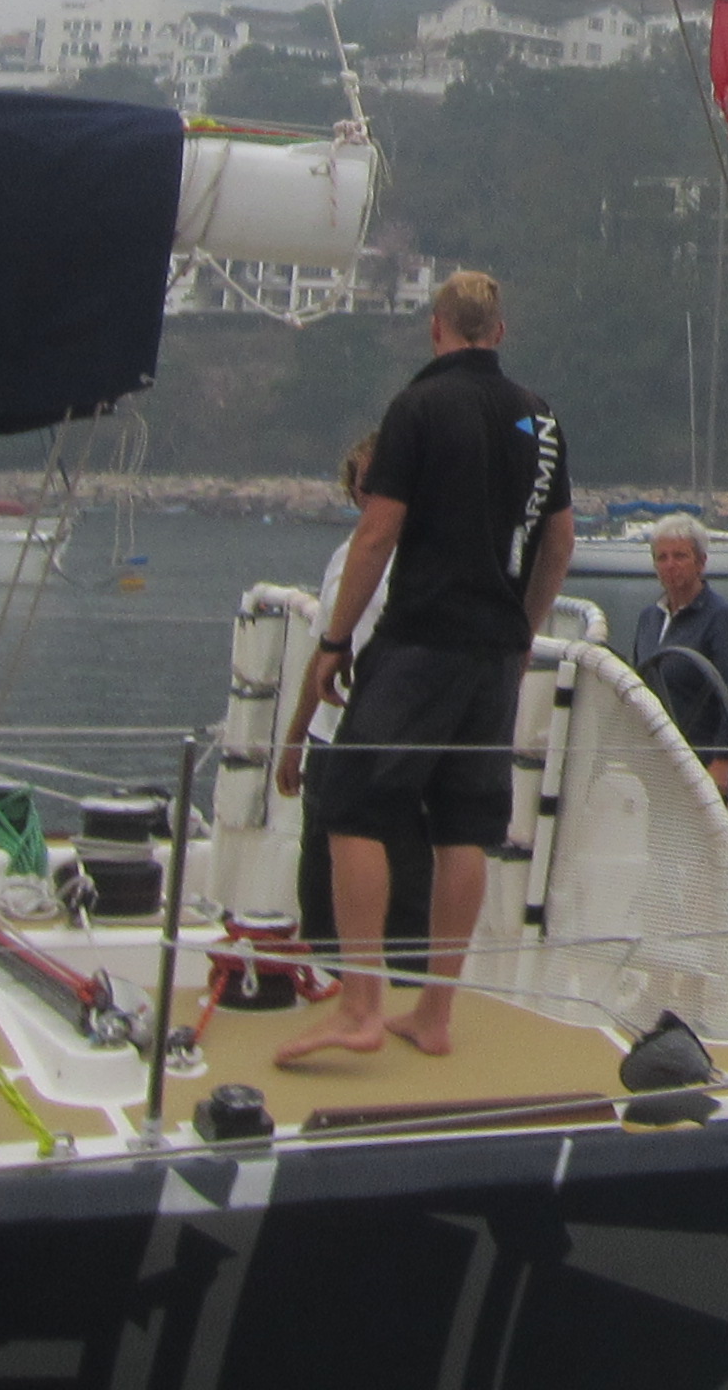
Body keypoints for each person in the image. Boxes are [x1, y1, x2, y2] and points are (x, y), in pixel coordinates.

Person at [277, 268, 573, 1067]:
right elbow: (559, 541)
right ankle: (434, 1013)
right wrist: (524, 629)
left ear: (437, 327)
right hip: (492, 653)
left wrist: (335, 642)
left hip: (422, 639)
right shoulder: (539, 420)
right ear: (499, 332)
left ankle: (362, 1004)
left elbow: (378, 534)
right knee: (464, 824)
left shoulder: (418, 407)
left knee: (351, 804)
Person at [274, 436, 430, 979]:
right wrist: (293, 738)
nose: (369, 490)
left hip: (398, 738)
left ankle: (409, 981)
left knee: (406, 865)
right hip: (331, 734)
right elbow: (322, 649)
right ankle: (325, 973)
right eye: (361, 482)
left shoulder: (427, 558)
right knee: (319, 865)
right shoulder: (345, 556)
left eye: (380, 479)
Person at [619, 514, 728, 800]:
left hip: (701, 764)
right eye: (662, 557)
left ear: (701, 562)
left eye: (680, 556)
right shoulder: (649, 618)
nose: (670, 565)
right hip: (654, 762)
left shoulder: (723, 619)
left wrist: (721, 763)